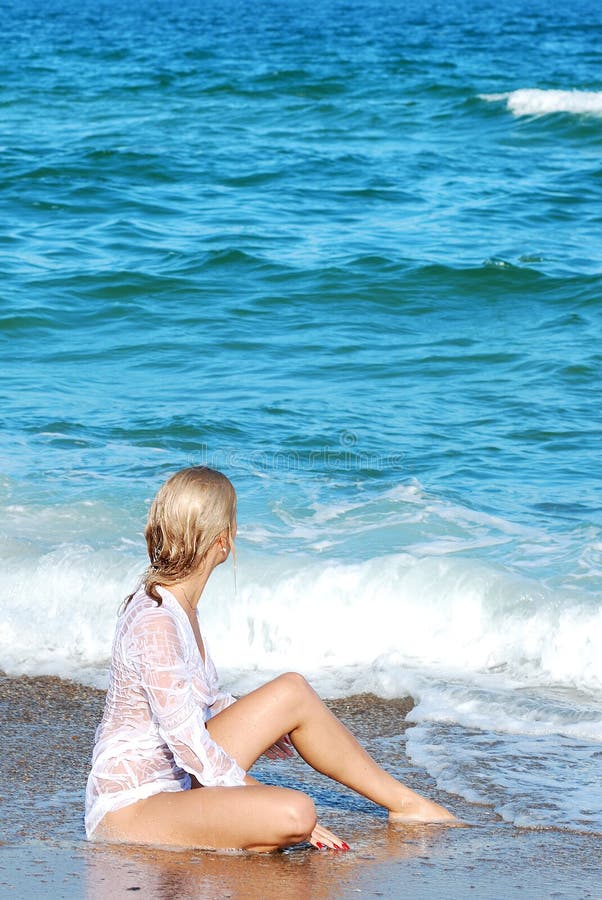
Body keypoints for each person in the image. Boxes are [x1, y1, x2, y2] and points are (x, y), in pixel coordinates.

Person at [85, 466, 456, 852]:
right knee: (295, 813)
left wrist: (269, 721)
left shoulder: (178, 606)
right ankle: (240, 836)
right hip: (133, 804)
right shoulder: (155, 620)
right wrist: (258, 795)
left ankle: (408, 804)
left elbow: (199, 701)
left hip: (176, 774)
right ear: (222, 540)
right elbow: (188, 741)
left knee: (291, 691)